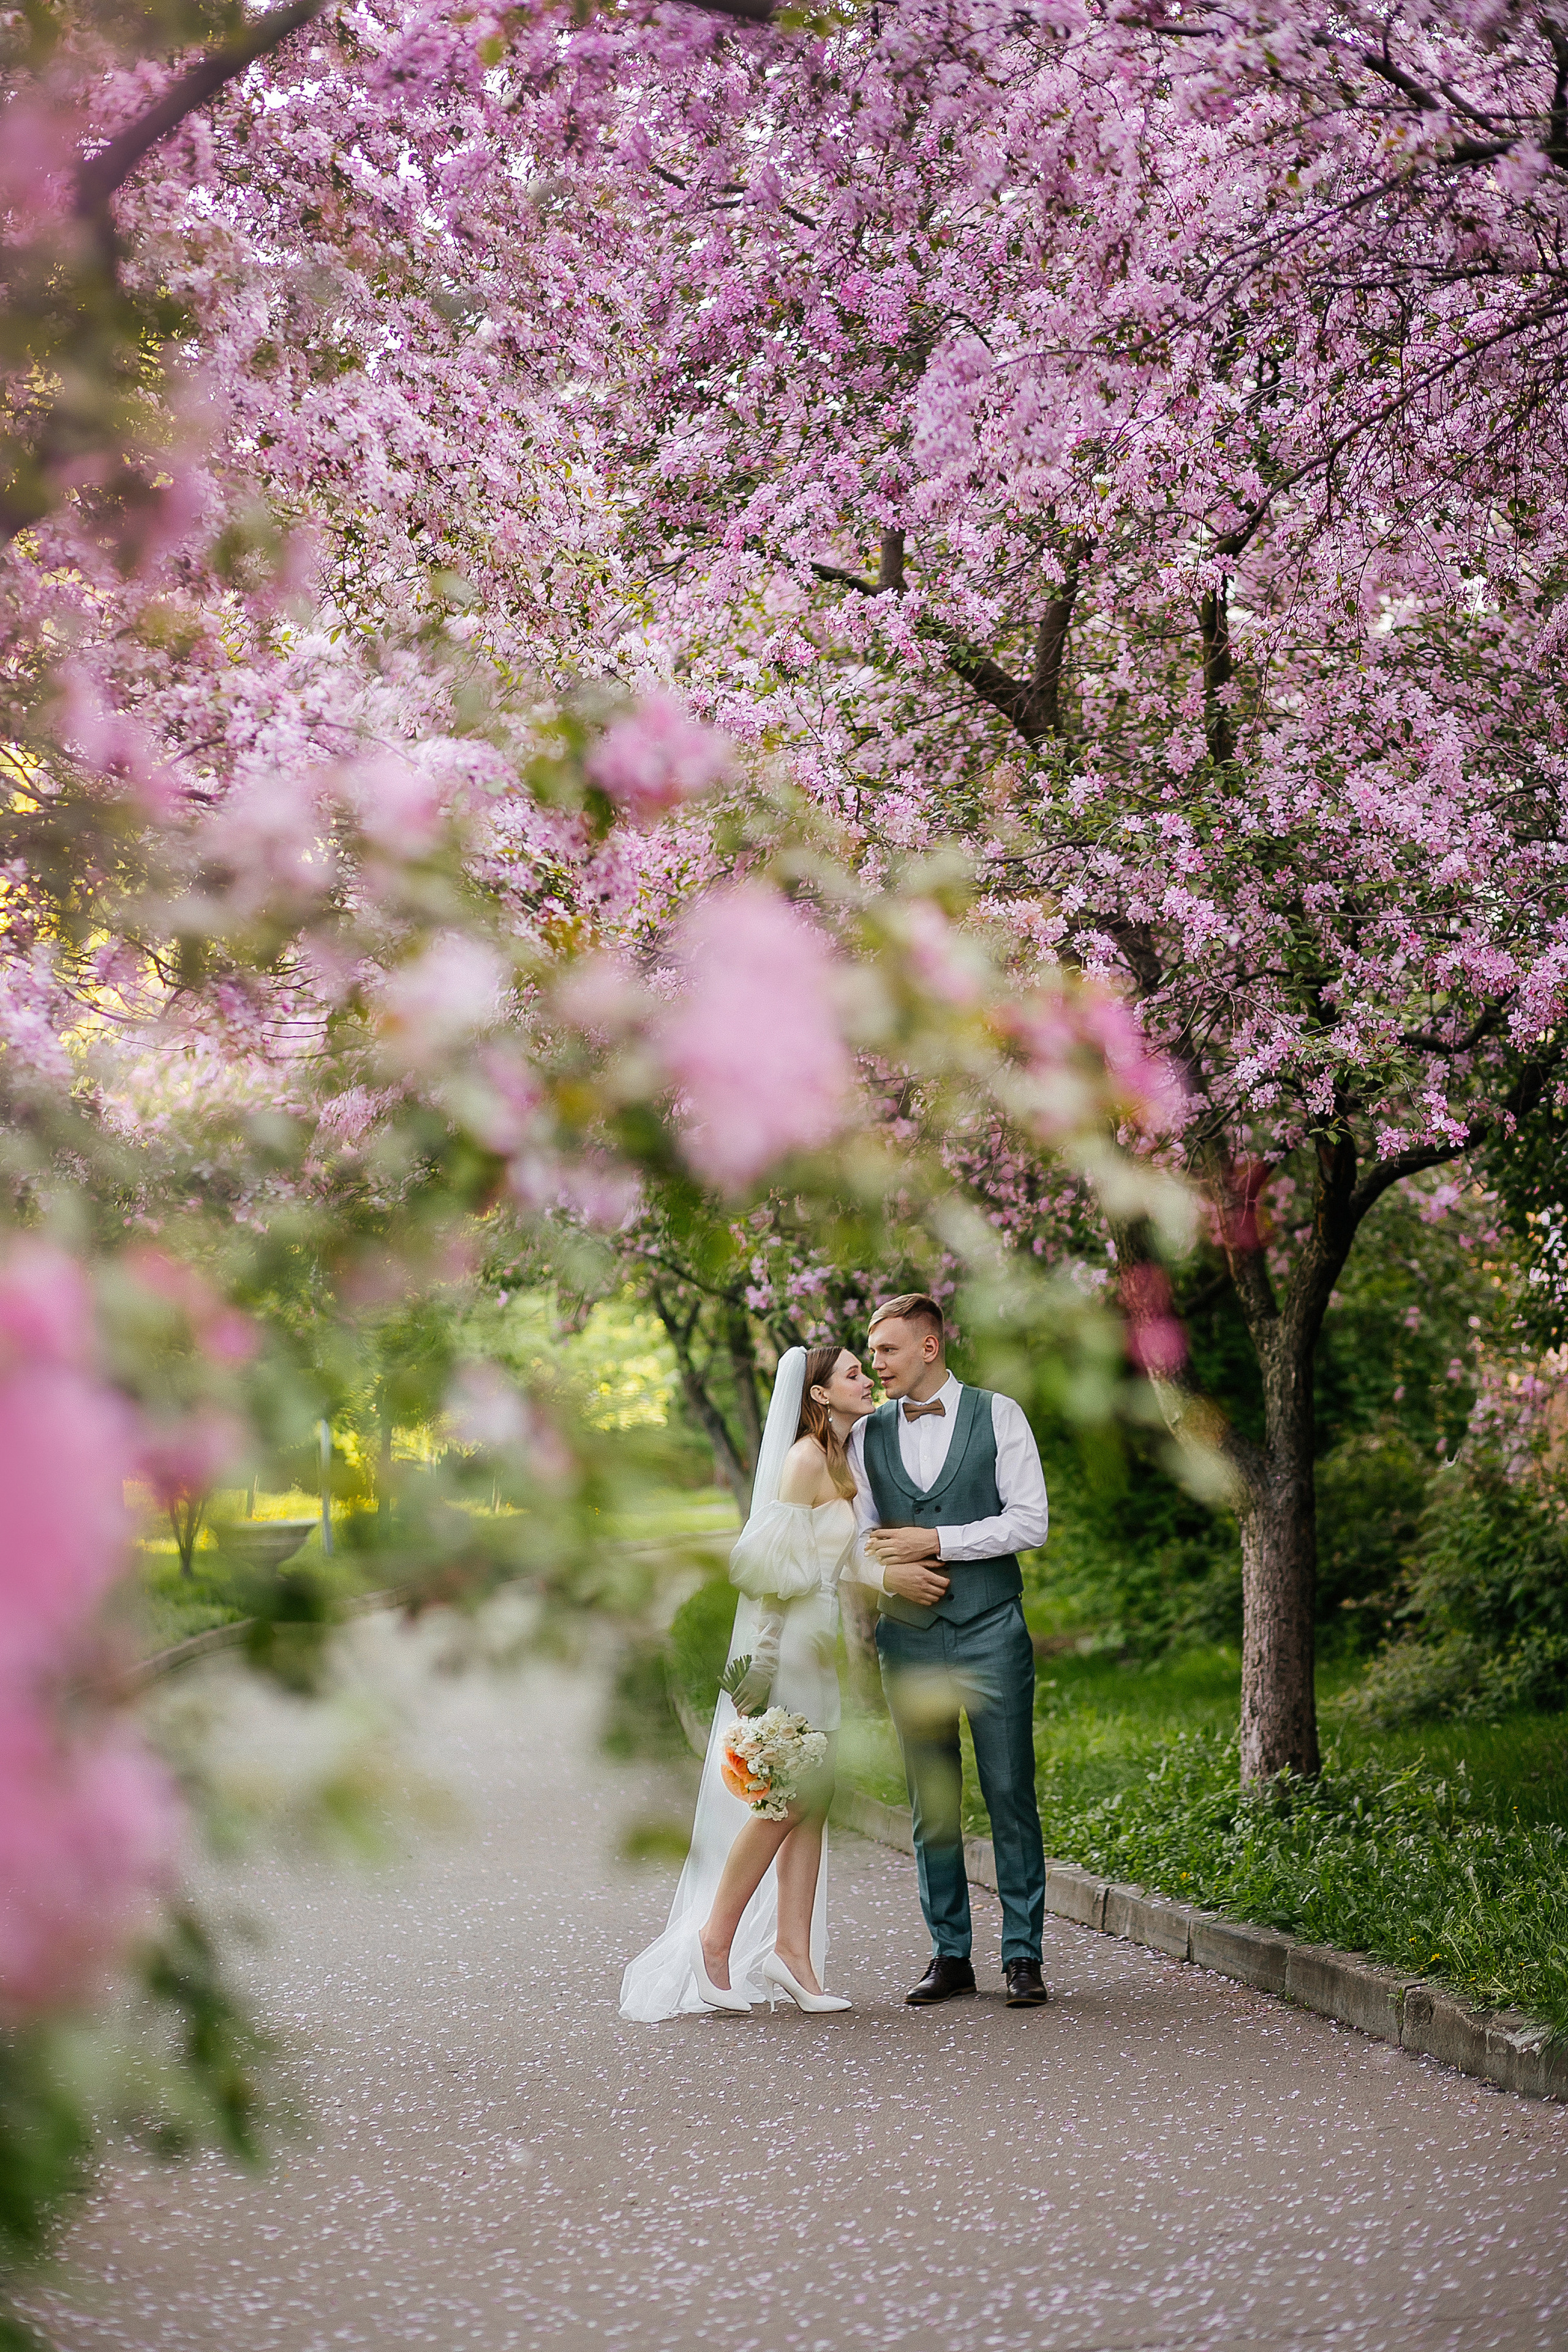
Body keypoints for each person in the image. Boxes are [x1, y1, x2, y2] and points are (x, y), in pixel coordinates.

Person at [619, 1342, 876, 2020]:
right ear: (818, 1393)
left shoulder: (839, 1456)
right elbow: (768, 1571)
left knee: (813, 1802)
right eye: (853, 1373)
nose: (867, 1380)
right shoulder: (804, 1459)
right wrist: (760, 1661)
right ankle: (714, 1942)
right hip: (790, 1646)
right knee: (785, 1802)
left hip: (820, 1646)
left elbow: (844, 1560)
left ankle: (792, 1955)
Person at [849, 1293, 1051, 2008]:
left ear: (929, 1346)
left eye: (886, 1350)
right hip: (908, 1637)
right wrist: (887, 1575)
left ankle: (1022, 1956)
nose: (875, 1364)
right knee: (929, 1797)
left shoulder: (1000, 1415)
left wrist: (939, 1541)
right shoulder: (864, 1433)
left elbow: (1030, 1522)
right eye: (871, 1352)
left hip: (993, 1628)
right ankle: (950, 1954)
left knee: (1009, 1790)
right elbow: (849, 1537)